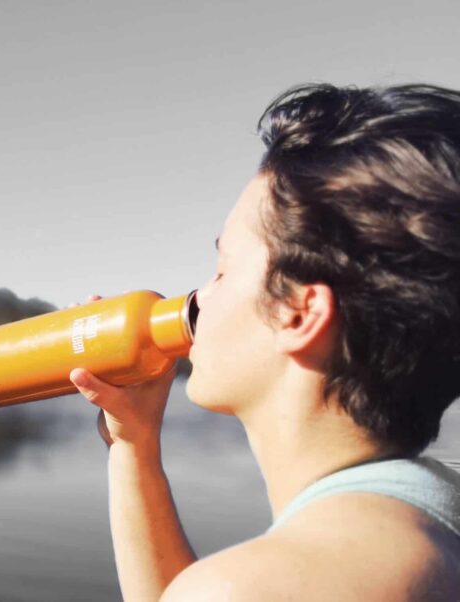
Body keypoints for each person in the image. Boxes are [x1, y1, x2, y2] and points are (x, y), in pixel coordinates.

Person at [70, 83, 460, 601]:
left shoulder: (253, 588)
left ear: (300, 313)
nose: (197, 301)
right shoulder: (434, 508)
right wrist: (133, 446)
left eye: (222, 270)